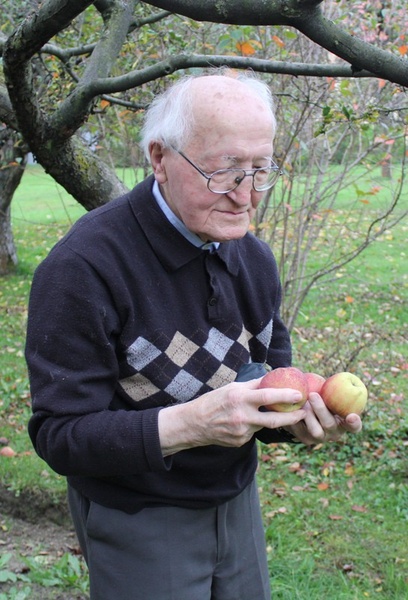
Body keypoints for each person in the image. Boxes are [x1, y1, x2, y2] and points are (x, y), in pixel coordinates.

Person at [25, 70, 362, 600]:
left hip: (236, 499)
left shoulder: (253, 259)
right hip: (137, 511)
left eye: (261, 170)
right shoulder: (83, 269)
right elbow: (59, 436)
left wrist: (298, 422)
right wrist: (188, 425)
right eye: (226, 172)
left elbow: (262, 385)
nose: (247, 196)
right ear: (160, 159)